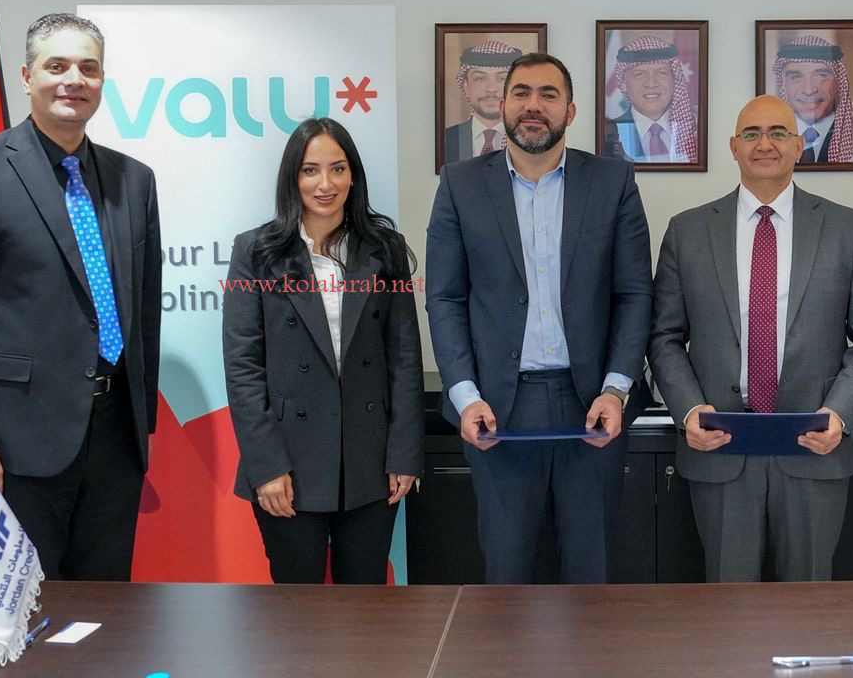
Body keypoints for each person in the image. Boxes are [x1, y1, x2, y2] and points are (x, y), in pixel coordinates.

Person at [0, 13, 162, 581]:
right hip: (16, 444)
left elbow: (144, 310)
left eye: (88, 68)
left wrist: (140, 423)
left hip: (115, 440)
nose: (73, 80)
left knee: (105, 609)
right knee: (20, 608)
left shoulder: (135, 180)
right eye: (57, 66)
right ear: (27, 77)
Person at [426, 52, 652, 584]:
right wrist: (466, 396)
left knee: (591, 571)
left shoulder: (612, 181)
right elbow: (445, 298)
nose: (534, 105)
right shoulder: (460, 184)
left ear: (570, 111)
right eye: (522, 93)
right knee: (506, 575)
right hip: (497, 410)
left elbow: (634, 294)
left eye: (549, 95)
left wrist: (616, 389)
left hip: (593, 405)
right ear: (502, 106)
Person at [649, 95, 853, 582]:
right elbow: (664, 337)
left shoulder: (846, 229)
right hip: (719, 445)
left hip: (815, 444)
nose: (765, 144)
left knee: (808, 601)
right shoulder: (687, 231)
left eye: (779, 133)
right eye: (752, 134)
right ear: (733, 147)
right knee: (729, 603)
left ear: (799, 146)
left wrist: (839, 414)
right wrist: (689, 411)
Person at [221, 117, 423, 584]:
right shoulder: (256, 251)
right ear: (292, 178)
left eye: (338, 168)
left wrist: (404, 454)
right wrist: (266, 467)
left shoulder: (384, 249)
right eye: (310, 170)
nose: (325, 184)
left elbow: (404, 357)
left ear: (353, 175)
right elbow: (243, 366)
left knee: (364, 606)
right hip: (287, 465)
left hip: (370, 462)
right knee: (297, 609)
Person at [601, 36, 699, 164]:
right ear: (624, 83)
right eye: (640, 74)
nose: (651, 84)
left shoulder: (695, 128)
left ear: (674, 79)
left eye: (661, 73)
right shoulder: (612, 131)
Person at [773, 36, 853, 163]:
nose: (809, 90)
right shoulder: (768, 135)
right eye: (796, 77)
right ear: (784, 85)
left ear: (838, 83)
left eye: (821, 75)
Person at [443, 41, 523, 164]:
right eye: (480, 78)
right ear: (465, 86)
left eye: (502, 79)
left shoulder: (529, 138)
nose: (491, 89)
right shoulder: (447, 139)